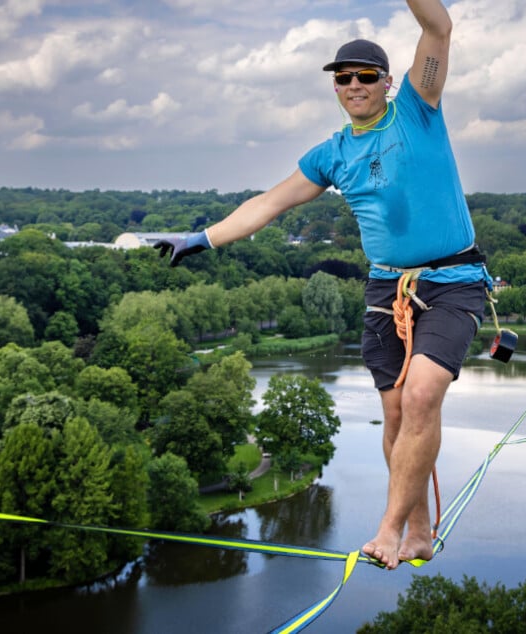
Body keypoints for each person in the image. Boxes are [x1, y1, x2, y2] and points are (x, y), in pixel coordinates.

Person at [154, 0, 490, 570]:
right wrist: (199, 239)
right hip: (387, 291)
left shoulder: (418, 109)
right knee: (395, 418)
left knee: (422, 395)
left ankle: (387, 529)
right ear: (335, 87)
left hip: (453, 279)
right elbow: (268, 204)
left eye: (365, 75)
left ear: (387, 82)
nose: (354, 84)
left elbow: (438, 25)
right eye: (343, 77)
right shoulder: (333, 155)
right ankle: (417, 529)